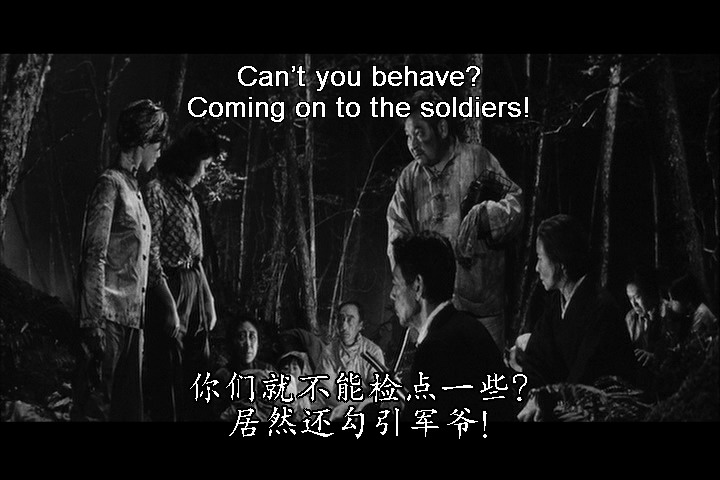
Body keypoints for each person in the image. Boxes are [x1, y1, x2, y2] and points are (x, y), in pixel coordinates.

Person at [386, 89, 523, 352]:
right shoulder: (409, 179)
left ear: (442, 127)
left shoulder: (479, 160)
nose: (413, 143)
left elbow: (515, 203)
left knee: (485, 373)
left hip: (482, 307)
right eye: (408, 136)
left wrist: (485, 217)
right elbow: (397, 232)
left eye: (419, 132)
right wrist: (409, 290)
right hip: (433, 311)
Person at [73, 99, 175, 421]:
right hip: (108, 320)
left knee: (130, 413)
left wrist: (165, 307)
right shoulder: (110, 185)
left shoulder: (136, 192)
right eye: (157, 144)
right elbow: (93, 255)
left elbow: (145, 263)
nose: (159, 152)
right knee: (96, 408)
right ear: (143, 141)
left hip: (133, 325)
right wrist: (92, 322)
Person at [516, 214, 637, 422]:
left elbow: (585, 376)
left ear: (560, 261)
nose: (536, 268)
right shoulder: (556, 305)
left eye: (540, 258)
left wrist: (545, 399)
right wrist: (533, 395)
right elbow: (536, 359)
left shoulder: (602, 309)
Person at [390, 230, 517, 425]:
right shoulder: (466, 328)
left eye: (396, 284)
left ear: (417, 286)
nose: (392, 294)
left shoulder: (436, 348)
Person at [142, 122, 219, 421]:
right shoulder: (156, 192)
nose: (205, 173)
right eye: (204, 165)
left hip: (194, 284)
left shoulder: (190, 198)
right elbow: (152, 256)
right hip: (169, 286)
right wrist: (169, 306)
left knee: (200, 368)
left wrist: (208, 298)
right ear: (190, 160)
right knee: (168, 369)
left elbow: (197, 257)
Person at [315, 300, 386, 421]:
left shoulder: (373, 352)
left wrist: (358, 408)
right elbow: (325, 390)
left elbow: (377, 392)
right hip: (336, 409)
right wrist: (344, 408)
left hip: (365, 411)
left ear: (360, 325)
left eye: (350, 320)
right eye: (341, 319)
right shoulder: (329, 352)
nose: (344, 326)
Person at [211, 315, 277, 422]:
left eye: (252, 337)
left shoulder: (268, 370)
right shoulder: (223, 376)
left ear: (258, 342)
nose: (248, 344)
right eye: (241, 337)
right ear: (232, 341)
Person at [667, 272, 718, 339]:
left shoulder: (703, 310)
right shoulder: (694, 309)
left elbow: (713, 328)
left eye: (672, 300)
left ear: (683, 298)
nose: (670, 304)